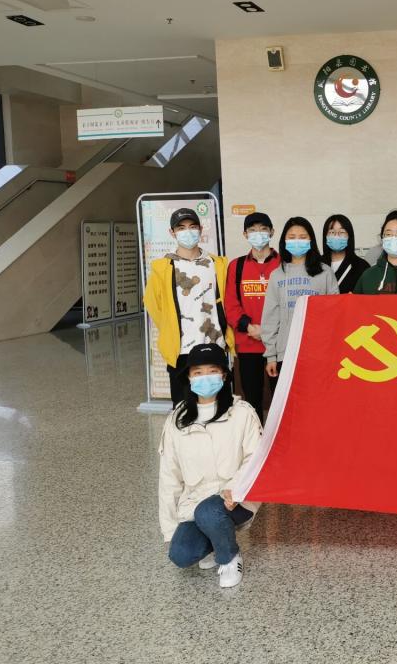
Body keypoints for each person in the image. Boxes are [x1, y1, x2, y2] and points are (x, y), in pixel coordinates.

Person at [158, 343, 263, 588]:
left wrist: (235, 489)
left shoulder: (242, 413)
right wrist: (170, 528)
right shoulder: (176, 420)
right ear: (189, 377)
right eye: (198, 372)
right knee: (181, 554)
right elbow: (169, 476)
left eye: (213, 371)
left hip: (236, 498)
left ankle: (229, 557)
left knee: (209, 512)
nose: (205, 377)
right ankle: (215, 541)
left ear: (224, 375)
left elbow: (255, 458)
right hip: (194, 502)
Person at [144, 207, 234, 408]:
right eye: (181, 228)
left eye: (192, 226)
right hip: (181, 349)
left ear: (200, 229)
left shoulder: (217, 264)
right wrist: (171, 329)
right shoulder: (163, 267)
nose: (188, 231)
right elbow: (153, 305)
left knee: (220, 407)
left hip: (214, 344)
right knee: (183, 408)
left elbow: (228, 299)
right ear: (172, 232)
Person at [261, 217, 339, 378]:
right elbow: (270, 317)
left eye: (302, 237)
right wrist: (271, 356)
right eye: (292, 237)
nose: (297, 241)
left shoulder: (325, 272)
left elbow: (335, 313)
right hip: (285, 353)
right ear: (284, 241)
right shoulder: (277, 275)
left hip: (319, 353)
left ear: (311, 240)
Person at [224, 212, 280, 419]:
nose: (258, 234)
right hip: (248, 343)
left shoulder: (284, 264)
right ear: (245, 234)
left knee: (281, 398)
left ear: (272, 232)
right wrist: (249, 327)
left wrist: (268, 331)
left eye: (263, 229)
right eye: (253, 230)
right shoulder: (236, 266)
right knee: (252, 400)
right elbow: (231, 305)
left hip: (278, 345)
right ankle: (256, 435)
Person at [321, 214, 370, 294]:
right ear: (325, 236)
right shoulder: (316, 264)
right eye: (332, 232)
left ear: (349, 236)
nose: (336, 236)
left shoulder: (362, 266)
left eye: (342, 232)